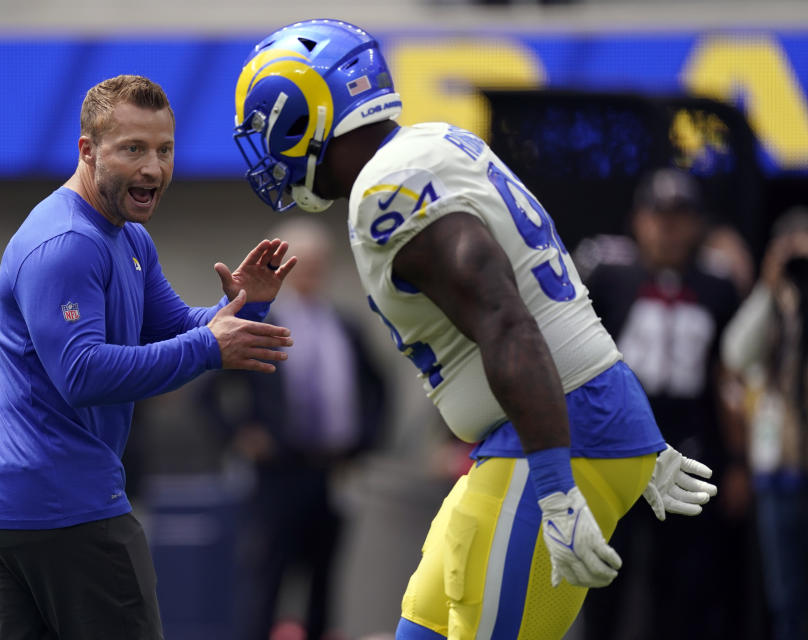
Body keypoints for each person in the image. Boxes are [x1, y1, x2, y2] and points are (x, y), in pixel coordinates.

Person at [231, 20, 718, 640]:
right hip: (559, 424)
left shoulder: (387, 190)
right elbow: (549, 297)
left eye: (271, 129)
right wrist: (629, 428)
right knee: (423, 629)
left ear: (310, 111)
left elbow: (507, 316)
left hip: (548, 440)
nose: (271, 153)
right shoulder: (435, 143)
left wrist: (558, 487)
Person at [0, 74, 297, 640]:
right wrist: (210, 346)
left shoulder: (127, 237)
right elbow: (82, 373)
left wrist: (240, 308)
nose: (153, 169)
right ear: (88, 151)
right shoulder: (68, 243)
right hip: (59, 508)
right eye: (132, 149)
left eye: (164, 150)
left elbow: (174, 326)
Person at [581, 168, 752, 640]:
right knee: (604, 569)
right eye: (660, 217)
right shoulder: (608, 275)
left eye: (680, 218)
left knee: (683, 579)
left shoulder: (718, 286)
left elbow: (729, 380)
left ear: (698, 225)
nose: (668, 229)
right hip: (617, 445)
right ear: (638, 220)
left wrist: (737, 461)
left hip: (689, 443)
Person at [202, 216, 388, 640]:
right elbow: (209, 391)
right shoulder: (258, 325)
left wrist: (365, 442)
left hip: (333, 473)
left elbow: (378, 387)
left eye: (318, 264)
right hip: (277, 475)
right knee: (265, 580)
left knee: (325, 581)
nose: (310, 275)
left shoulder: (344, 325)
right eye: (300, 266)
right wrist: (240, 434)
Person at [721, 207, 808, 640]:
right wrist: (770, 286)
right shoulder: (775, 305)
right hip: (781, 473)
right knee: (785, 598)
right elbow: (736, 352)